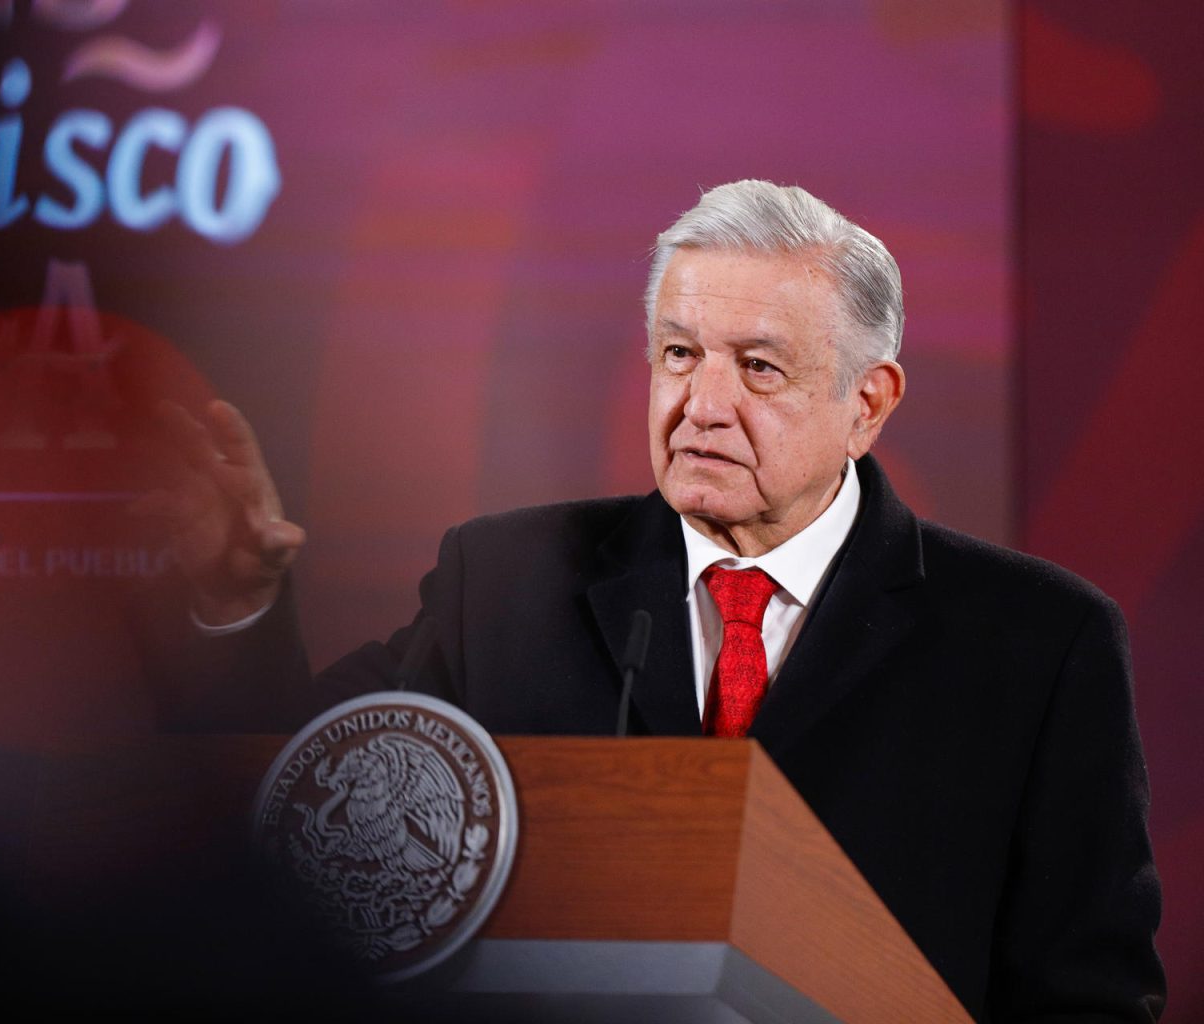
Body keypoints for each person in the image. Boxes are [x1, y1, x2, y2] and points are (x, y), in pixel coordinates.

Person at [140, 180, 1166, 1021]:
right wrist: (238, 609)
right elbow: (300, 824)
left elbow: (1088, 998)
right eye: (679, 354)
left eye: (758, 367)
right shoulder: (503, 583)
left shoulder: (1038, 644)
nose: (702, 405)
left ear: (868, 403)